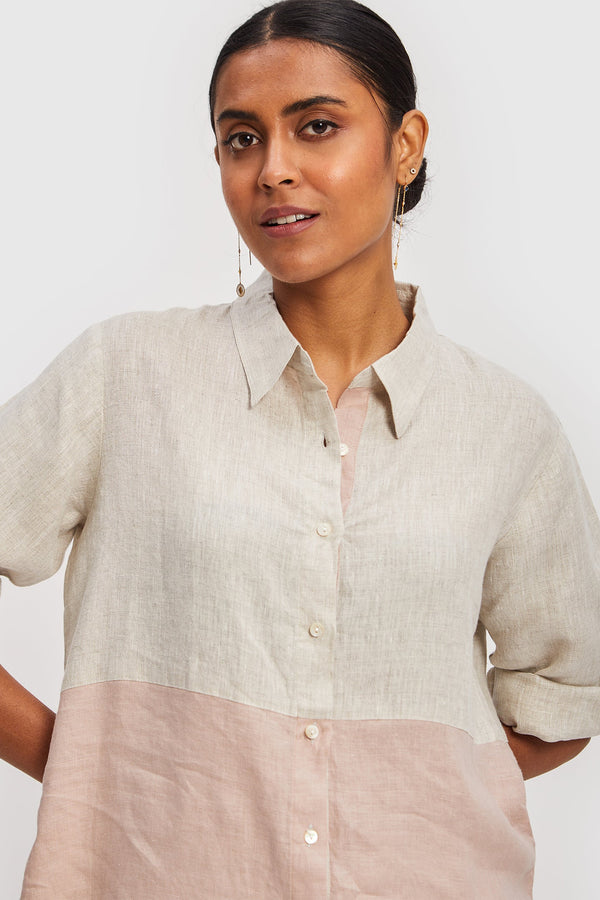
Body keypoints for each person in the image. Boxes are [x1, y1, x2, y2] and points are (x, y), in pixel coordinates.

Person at [1, 0, 598, 896]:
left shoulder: (507, 427)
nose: (274, 169)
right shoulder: (125, 373)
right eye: (241, 139)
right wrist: (95, 772)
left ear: (405, 145)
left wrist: (407, 796)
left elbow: (565, 691)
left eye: (317, 126)